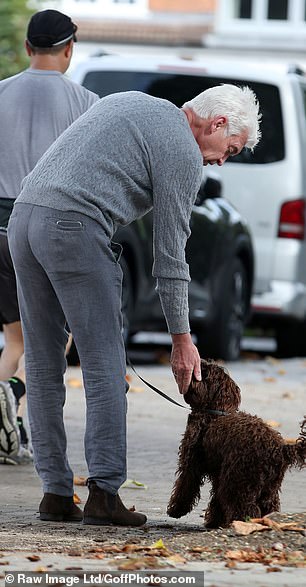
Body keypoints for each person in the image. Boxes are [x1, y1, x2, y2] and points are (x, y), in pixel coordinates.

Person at [8, 84, 261, 525]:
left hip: (22, 219)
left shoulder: (131, 102)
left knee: (44, 364)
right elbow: (170, 256)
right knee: (106, 368)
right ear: (217, 124)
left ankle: (54, 492)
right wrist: (182, 340)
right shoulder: (183, 150)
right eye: (231, 150)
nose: (222, 160)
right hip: (73, 227)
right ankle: (104, 493)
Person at [0, 9, 98, 464]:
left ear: (26, 48)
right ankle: (15, 393)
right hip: (44, 229)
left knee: (14, 339)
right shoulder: (86, 103)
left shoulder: (0, 93)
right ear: (69, 48)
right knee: (53, 336)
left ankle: (7, 414)